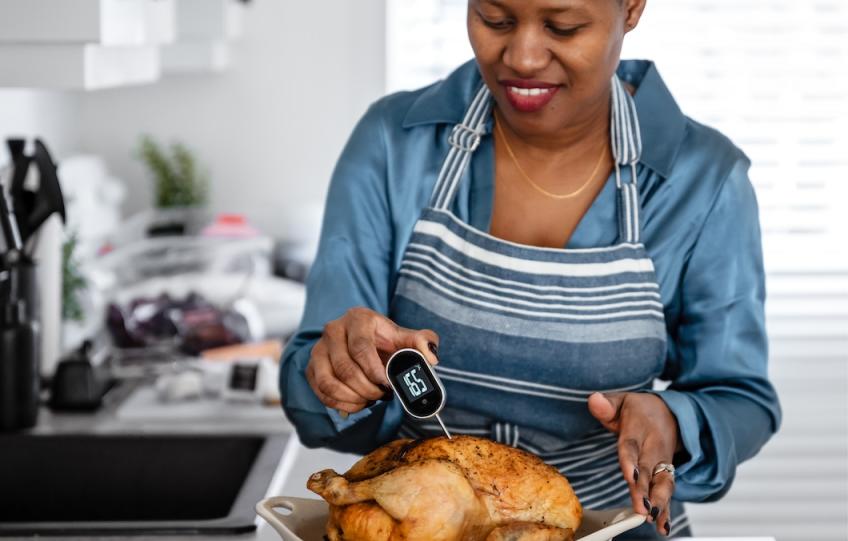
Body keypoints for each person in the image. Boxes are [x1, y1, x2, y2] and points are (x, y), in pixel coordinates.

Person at [279, 0, 782, 538]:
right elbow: (305, 387)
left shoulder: (704, 179)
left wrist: (671, 420)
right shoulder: (393, 142)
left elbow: (740, 397)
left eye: (562, 26)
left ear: (631, 8)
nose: (521, 57)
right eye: (494, 19)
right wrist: (339, 371)